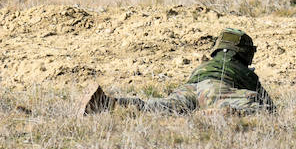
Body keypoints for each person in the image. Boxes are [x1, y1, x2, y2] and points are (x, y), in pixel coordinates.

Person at [82, 27, 274, 115]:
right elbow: (269, 105)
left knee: (160, 106)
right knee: (257, 109)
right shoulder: (244, 71)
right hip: (216, 90)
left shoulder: (204, 65)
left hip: (189, 87)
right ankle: (219, 113)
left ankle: (108, 103)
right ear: (244, 52)